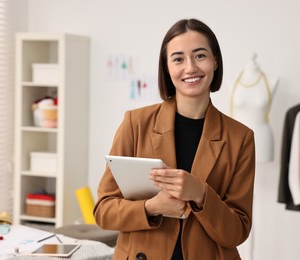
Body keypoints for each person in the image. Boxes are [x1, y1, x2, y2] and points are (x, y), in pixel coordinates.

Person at [94, 18, 256, 260]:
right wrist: (151, 207)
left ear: (215, 61)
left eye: (200, 56)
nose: (190, 67)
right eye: (178, 59)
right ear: (167, 68)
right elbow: (103, 211)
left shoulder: (240, 138)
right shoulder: (135, 124)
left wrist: (201, 193)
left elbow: (237, 232)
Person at [230, 53, 278, 162]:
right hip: (237, 138)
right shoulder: (232, 82)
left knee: (263, 175)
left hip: (262, 138)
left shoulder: (272, 81)